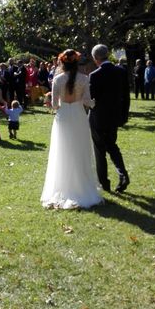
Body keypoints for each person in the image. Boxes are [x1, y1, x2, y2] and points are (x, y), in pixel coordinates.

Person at [41, 49, 103, 209]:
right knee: (80, 150)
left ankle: (63, 188)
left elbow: (54, 105)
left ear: (62, 62)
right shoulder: (84, 78)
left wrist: (55, 104)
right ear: (77, 62)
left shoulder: (57, 79)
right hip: (79, 115)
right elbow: (88, 101)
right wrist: (96, 103)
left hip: (63, 117)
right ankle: (82, 187)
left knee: (62, 151)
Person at [89, 44, 130, 193]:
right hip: (114, 117)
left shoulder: (95, 75)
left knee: (100, 150)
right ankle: (122, 173)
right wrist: (124, 115)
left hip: (98, 117)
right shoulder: (120, 71)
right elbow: (126, 96)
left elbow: (91, 99)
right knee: (112, 145)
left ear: (96, 58)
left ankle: (104, 183)